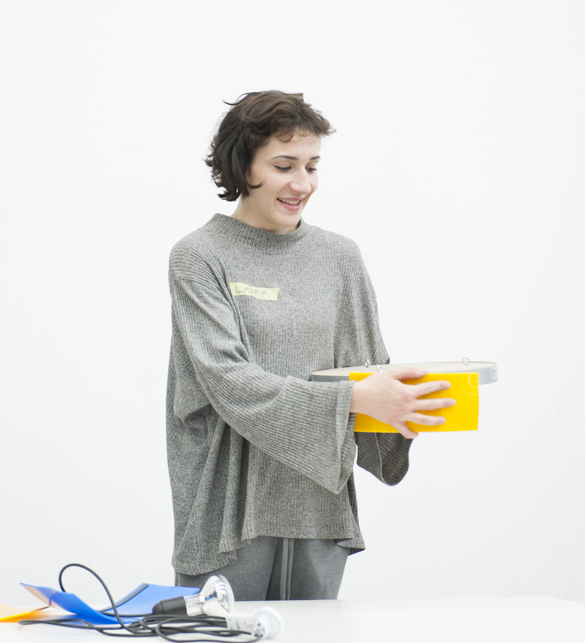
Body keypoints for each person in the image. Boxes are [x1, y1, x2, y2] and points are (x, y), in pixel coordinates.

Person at [166, 90, 454, 601]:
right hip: (227, 512)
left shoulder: (339, 258)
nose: (302, 183)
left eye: (312, 166)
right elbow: (229, 382)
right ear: (242, 165)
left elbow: (367, 372)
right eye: (284, 166)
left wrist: (404, 408)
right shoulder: (199, 257)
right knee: (219, 635)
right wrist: (357, 399)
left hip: (317, 506)